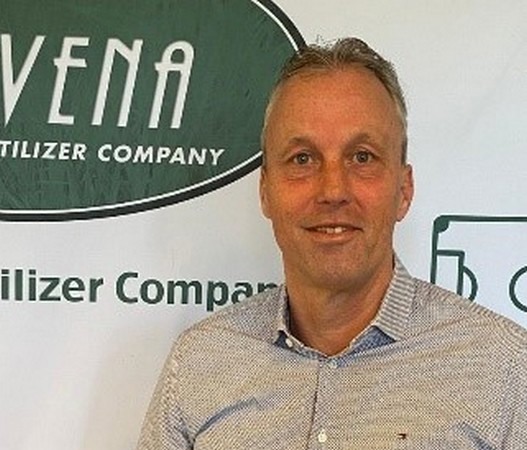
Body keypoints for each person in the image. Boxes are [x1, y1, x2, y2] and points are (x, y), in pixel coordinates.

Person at [136, 38, 527, 449]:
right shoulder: (199, 363)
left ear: (404, 189)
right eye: (302, 159)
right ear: (265, 191)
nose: (333, 190)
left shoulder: (504, 371)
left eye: (362, 157)